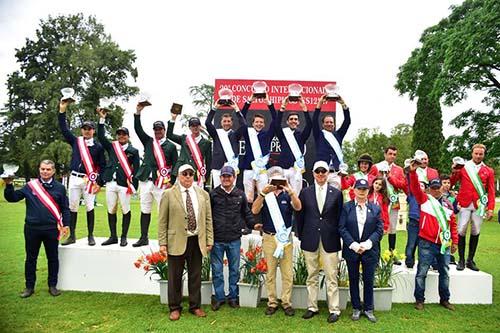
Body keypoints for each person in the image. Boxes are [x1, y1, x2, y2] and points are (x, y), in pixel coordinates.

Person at [4, 160, 70, 298]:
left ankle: (52, 286)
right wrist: (9, 184)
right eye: (42, 169)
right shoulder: (30, 186)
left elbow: (65, 208)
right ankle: (29, 287)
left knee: (53, 258)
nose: (45, 171)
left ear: (53, 171)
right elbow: (12, 198)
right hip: (32, 229)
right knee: (30, 259)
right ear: (39, 170)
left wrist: (66, 224)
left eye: (48, 169)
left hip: (52, 229)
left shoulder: (60, 188)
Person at [158, 164, 214, 321]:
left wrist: (209, 240)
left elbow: (208, 219)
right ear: (178, 175)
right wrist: (163, 242)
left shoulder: (203, 194)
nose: (188, 176)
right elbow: (162, 220)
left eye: (190, 173)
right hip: (176, 241)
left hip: (197, 240)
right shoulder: (169, 194)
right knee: (174, 276)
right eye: (184, 174)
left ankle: (195, 306)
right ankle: (175, 307)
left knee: (195, 275)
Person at [296, 161, 343, 323]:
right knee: (312, 275)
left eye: (324, 171)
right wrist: (301, 235)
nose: (321, 174)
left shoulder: (336, 193)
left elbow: (339, 218)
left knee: (331, 276)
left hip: (330, 239)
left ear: (328, 173)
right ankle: (312, 307)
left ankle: (334, 309)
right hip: (310, 238)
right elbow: (300, 216)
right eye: (318, 171)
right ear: (313, 173)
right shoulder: (305, 192)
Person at [251, 166, 301, 316]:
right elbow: (254, 210)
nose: (278, 183)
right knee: (270, 273)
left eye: (280, 179)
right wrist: (262, 193)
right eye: (275, 179)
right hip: (269, 238)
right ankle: (272, 302)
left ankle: (286, 303)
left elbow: (298, 207)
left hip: (285, 239)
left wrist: (291, 191)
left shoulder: (287, 195)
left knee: (287, 273)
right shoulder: (266, 195)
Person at [409, 162, 458, 311]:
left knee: (445, 272)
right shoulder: (424, 200)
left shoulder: (448, 205)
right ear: (429, 189)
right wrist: (412, 173)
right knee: (422, 272)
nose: (436, 190)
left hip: (444, 243)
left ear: (442, 188)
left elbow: (453, 225)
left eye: (438, 188)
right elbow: (415, 188)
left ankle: (445, 299)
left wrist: (455, 241)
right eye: (434, 188)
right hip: (426, 242)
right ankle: (419, 300)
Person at [209, 165, 257, 310]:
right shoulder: (213, 194)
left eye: (229, 176)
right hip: (217, 239)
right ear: (220, 178)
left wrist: (254, 225)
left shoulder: (240, 194)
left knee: (234, 270)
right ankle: (218, 297)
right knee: (217, 270)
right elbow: (208, 216)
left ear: (234, 178)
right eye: (223, 176)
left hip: (234, 239)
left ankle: (233, 297)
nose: (226, 179)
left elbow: (246, 213)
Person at [58, 99, 105, 246]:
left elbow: (102, 165)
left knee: (90, 207)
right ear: (81, 130)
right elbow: (64, 129)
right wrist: (62, 110)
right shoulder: (76, 141)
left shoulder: (98, 147)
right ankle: (72, 235)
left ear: (93, 130)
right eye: (84, 128)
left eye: (89, 128)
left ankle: (90, 235)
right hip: (74, 178)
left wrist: (99, 182)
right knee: (73, 207)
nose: (87, 130)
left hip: (89, 180)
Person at [339, 178, 383, 323]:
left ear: (368, 191)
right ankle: (357, 308)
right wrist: (353, 245)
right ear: (354, 190)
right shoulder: (346, 207)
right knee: (353, 279)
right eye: (359, 189)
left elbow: (379, 229)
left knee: (369, 280)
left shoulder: (375, 208)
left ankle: (369, 308)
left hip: (369, 250)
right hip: (352, 250)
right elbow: (342, 228)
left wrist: (368, 243)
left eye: (364, 189)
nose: (362, 192)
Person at [133, 103, 178, 247]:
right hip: (146, 181)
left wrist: (172, 180)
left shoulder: (171, 146)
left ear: (164, 130)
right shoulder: (148, 141)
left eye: (160, 129)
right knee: (144, 210)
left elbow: (176, 164)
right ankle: (143, 237)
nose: (158, 131)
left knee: (163, 213)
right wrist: (138, 112)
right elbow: (138, 129)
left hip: (162, 183)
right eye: (156, 129)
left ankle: (164, 240)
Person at [97, 108, 140, 246]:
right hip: (110, 182)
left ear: (128, 136)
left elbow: (137, 169)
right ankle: (113, 236)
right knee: (111, 209)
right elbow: (101, 137)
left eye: (124, 134)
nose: (121, 136)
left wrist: (134, 185)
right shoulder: (112, 147)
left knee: (125, 209)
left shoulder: (133, 151)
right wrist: (102, 120)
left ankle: (123, 236)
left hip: (124, 184)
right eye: (119, 134)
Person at [450, 144, 495, 271]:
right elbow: (452, 182)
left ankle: (470, 259)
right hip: (464, 202)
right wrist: (454, 171)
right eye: (476, 153)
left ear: (484, 155)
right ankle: (461, 260)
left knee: (475, 231)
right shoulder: (464, 168)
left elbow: (491, 191)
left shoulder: (488, 171)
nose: (478, 156)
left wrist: (490, 208)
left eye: (481, 154)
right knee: (461, 229)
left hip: (479, 205)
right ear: (472, 153)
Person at [240, 93, 277, 203]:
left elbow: (276, 120)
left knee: (263, 197)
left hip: (262, 171)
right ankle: (249, 220)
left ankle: (263, 220)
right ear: (252, 123)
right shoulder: (248, 133)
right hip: (248, 169)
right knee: (248, 198)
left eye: (261, 122)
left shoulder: (267, 135)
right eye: (257, 122)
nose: (259, 124)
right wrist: (249, 101)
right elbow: (241, 118)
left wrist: (269, 104)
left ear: (264, 124)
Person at [274, 96, 312, 194]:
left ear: (298, 122)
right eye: (291, 119)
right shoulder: (283, 134)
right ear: (287, 122)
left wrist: (304, 108)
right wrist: (283, 107)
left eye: (295, 119)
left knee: (296, 195)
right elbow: (276, 124)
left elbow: (309, 125)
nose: (293, 121)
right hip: (283, 169)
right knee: (281, 194)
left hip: (296, 170)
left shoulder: (302, 135)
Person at [205, 100, 246, 188]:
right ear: (221, 122)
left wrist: (236, 109)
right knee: (217, 191)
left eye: (228, 121)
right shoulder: (216, 134)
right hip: (217, 167)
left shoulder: (235, 135)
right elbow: (207, 123)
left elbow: (244, 126)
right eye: (224, 121)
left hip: (232, 166)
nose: (226, 123)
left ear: (232, 123)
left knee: (231, 191)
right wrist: (215, 108)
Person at [376, 145, 406, 262]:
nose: (392, 156)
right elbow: (373, 182)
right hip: (380, 201)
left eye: (394, 154)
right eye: (390, 154)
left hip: (394, 201)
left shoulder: (398, 169)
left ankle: (392, 254)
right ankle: (376, 255)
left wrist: (390, 177)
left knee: (393, 228)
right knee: (378, 227)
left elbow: (402, 185)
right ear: (385, 154)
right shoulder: (377, 167)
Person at [168, 114, 212, 188]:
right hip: (182, 174)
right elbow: (169, 135)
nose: (195, 127)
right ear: (189, 128)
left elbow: (209, 162)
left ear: (200, 126)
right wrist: (173, 119)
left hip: (197, 176)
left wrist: (205, 177)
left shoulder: (207, 143)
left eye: (197, 125)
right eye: (193, 126)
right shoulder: (184, 139)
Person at [312, 94, 351, 171]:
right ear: (323, 124)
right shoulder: (319, 134)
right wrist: (319, 104)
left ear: (334, 124)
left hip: (336, 170)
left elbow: (347, 121)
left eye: (331, 122)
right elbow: (314, 121)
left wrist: (343, 104)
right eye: (327, 122)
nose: (329, 124)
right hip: (322, 170)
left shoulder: (339, 135)